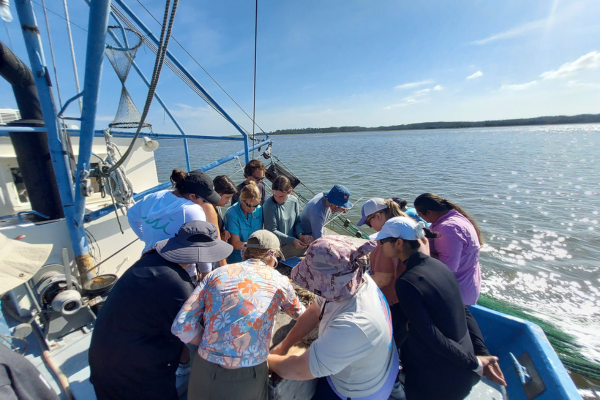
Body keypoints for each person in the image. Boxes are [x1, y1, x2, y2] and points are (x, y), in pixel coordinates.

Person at [89, 221, 233, 400]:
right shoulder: (176, 285)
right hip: (134, 377)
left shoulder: (151, 261)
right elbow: (201, 333)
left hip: (104, 362)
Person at [372, 217, 506, 400]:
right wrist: (481, 353)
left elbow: (431, 336)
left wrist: (475, 363)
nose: (379, 245)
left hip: (437, 379)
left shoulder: (407, 282)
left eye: (382, 241)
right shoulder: (439, 266)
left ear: (399, 243)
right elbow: (465, 312)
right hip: (463, 366)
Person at [172, 230, 305, 400]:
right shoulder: (279, 280)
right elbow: (299, 314)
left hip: (204, 369)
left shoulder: (216, 274)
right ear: (271, 255)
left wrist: (211, 342)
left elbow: (181, 326)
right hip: (248, 374)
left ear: (246, 251)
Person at [268, 236, 398, 400]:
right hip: (371, 362)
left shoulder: (354, 324)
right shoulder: (349, 280)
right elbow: (315, 311)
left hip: (360, 390)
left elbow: (299, 369)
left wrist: (265, 361)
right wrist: (284, 346)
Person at [127, 169, 221, 254]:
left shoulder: (152, 197)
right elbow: (200, 247)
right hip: (179, 267)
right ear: (192, 196)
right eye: (204, 200)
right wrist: (206, 271)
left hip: (148, 259)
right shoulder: (192, 210)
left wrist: (145, 238)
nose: (206, 203)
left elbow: (131, 216)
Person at [414, 193, 482, 305]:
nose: (421, 218)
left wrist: (419, 251)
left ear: (429, 212)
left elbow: (447, 267)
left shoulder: (448, 228)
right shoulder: (456, 217)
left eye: (420, 215)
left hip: (454, 294)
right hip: (466, 287)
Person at [263, 176, 311, 258]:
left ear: (290, 192)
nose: (277, 199)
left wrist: (301, 235)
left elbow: (297, 222)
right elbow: (272, 230)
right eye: (275, 195)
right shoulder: (269, 205)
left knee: (313, 240)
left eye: (281, 196)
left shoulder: (294, 201)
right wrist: (293, 241)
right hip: (278, 247)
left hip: (293, 242)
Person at [225, 181, 263, 264]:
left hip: (256, 256)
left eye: (255, 206)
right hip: (237, 259)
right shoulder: (231, 214)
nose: (252, 209)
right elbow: (235, 243)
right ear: (241, 200)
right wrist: (258, 247)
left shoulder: (259, 210)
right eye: (249, 205)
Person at [212, 175, 238, 242]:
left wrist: (223, 231)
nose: (229, 201)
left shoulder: (214, 208)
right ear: (218, 194)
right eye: (227, 197)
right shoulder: (209, 211)